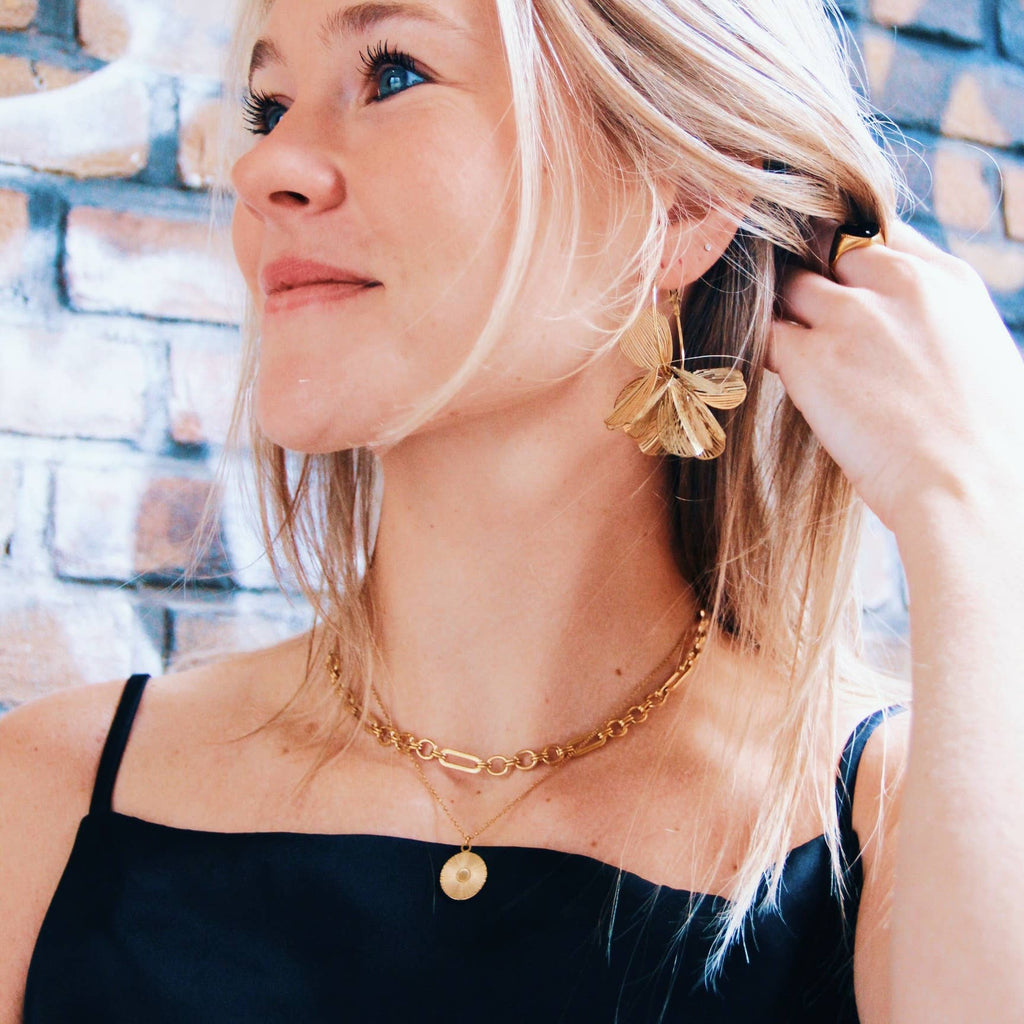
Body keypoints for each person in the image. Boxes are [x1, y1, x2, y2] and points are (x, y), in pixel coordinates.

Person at [2, 0, 1023, 1020]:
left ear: (681, 207)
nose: (263, 168)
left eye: (393, 72)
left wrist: (968, 509)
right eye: (269, 106)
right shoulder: (45, 801)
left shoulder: (895, 840)